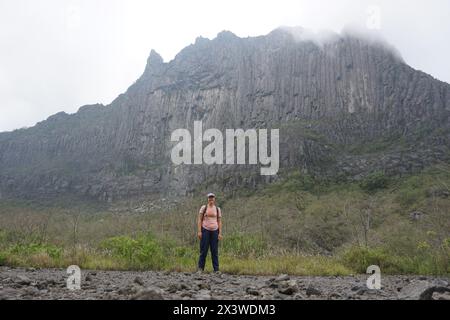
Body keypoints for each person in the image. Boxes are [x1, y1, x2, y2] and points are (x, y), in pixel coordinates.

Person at [197, 193, 223, 272]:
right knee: (203, 250)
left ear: (214, 199)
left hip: (215, 231)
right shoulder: (204, 208)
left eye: (212, 198)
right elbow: (199, 220)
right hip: (205, 230)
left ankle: (216, 270)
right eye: (209, 198)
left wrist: (220, 233)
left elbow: (219, 221)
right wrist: (199, 231)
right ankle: (200, 269)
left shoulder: (217, 209)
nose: (211, 199)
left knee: (214, 251)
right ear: (208, 199)